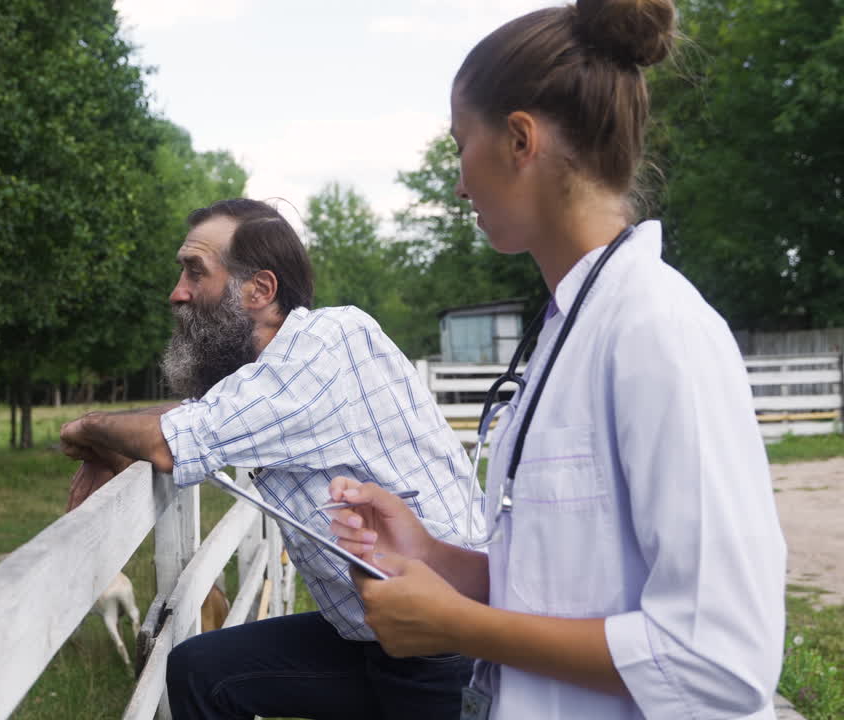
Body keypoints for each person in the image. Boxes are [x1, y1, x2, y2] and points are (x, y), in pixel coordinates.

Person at [328, 1, 787, 718]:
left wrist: (457, 626)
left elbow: (720, 662)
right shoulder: (575, 326)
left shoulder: (659, 330)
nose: (457, 181)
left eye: (459, 144)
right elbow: (577, 585)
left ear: (519, 140)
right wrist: (433, 559)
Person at [59, 197, 482, 719]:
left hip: (445, 640)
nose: (177, 294)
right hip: (375, 634)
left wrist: (87, 427)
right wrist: (112, 439)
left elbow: (174, 437)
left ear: (258, 290)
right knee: (203, 671)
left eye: (195, 272)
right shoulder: (274, 376)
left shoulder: (324, 345)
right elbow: (196, 413)